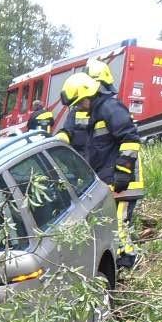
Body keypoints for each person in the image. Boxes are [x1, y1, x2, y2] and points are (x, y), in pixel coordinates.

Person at [60, 73, 143, 270]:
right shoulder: (96, 112)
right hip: (110, 180)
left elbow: (130, 139)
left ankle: (129, 262)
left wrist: (123, 172)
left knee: (120, 223)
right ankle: (120, 261)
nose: (79, 107)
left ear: (88, 95)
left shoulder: (110, 108)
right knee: (111, 223)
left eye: (80, 103)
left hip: (123, 182)